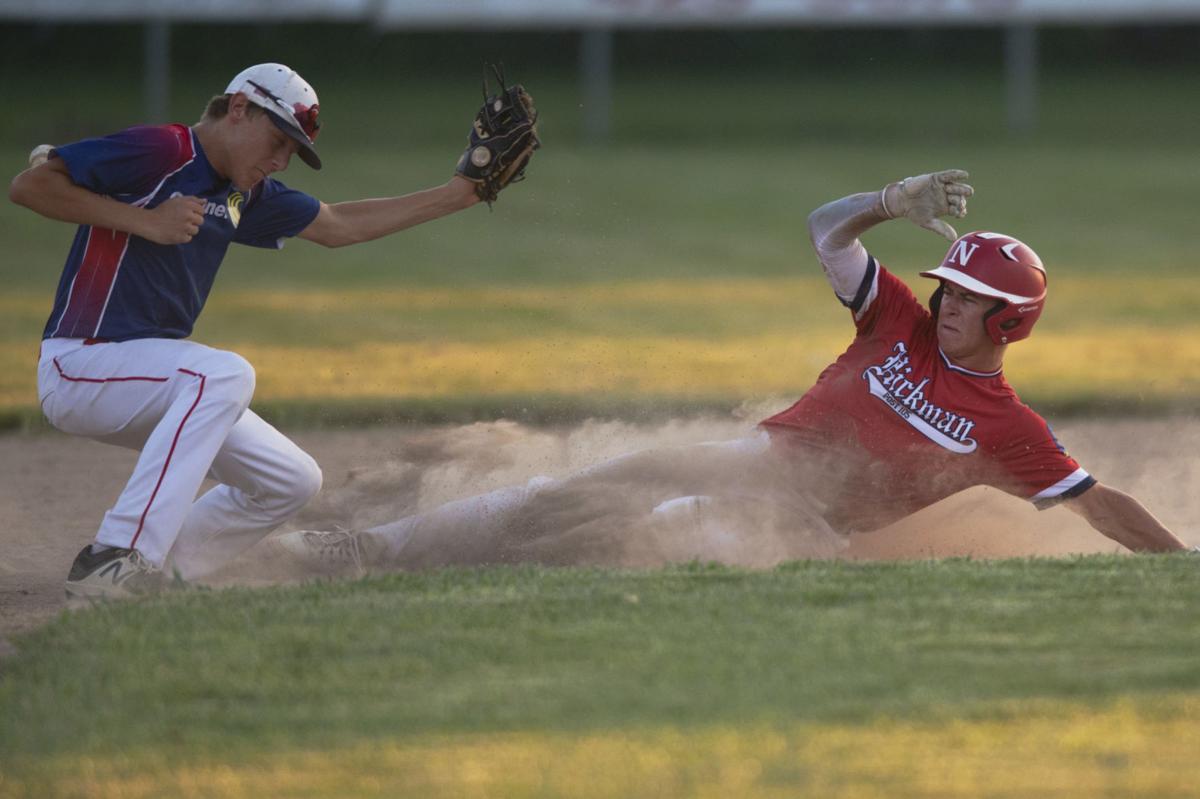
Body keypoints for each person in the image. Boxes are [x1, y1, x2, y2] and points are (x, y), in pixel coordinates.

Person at [274, 168, 1196, 574]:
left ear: (1012, 322)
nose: (946, 301)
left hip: (805, 524)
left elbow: (1095, 500)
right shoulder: (899, 323)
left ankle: (472, 574)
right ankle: (374, 552)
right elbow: (822, 230)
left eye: (966, 297)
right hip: (757, 457)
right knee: (587, 484)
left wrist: (1179, 564)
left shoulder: (1008, 428)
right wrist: (886, 200)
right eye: (947, 287)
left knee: (658, 527)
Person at [8, 63, 536, 601]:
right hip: (81, 362)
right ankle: (117, 557)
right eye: (279, 139)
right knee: (222, 374)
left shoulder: (242, 194)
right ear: (239, 109)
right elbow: (31, 185)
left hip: (147, 378)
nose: (282, 159)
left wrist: (458, 194)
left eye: (293, 150)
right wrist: (145, 220)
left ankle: (165, 567)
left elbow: (337, 225)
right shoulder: (166, 150)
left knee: (292, 480)